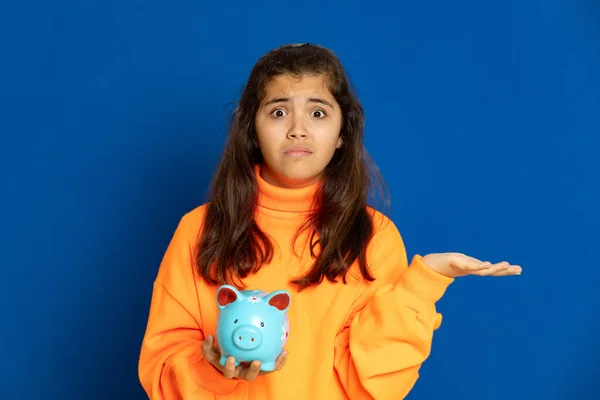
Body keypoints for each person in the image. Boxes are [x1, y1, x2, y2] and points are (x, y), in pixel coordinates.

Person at [137, 43, 522, 399]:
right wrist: (211, 370)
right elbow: (160, 374)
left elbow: (374, 383)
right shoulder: (199, 230)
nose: (298, 129)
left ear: (342, 133)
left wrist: (420, 287)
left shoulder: (374, 238)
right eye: (278, 111)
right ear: (252, 131)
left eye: (318, 112)